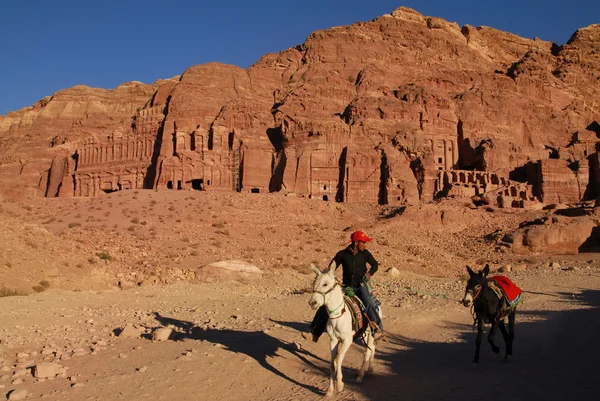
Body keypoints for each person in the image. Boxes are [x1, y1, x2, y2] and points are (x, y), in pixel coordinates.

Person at [309, 230, 384, 341]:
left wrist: (369, 274)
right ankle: (314, 331)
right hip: (345, 287)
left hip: (360, 286)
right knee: (326, 304)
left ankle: (376, 329)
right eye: (363, 242)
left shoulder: (365, 253)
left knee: (368, 302)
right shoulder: (342, 254)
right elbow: (331, 269)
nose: (365, 244)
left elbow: (375, 265)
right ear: (356, 243)